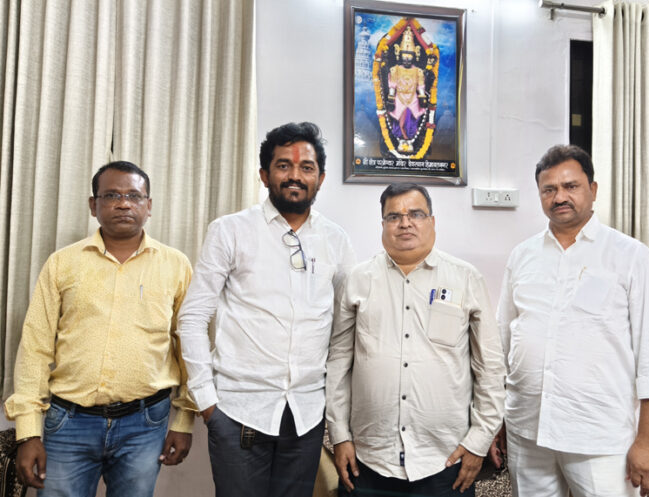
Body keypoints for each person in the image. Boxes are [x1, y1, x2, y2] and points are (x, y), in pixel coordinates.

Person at [177, 122, 356, 497]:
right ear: (264, 174)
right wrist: (207, 403)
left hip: (306, 416)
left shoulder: (336, 240)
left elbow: (343, 331)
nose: (295, 176)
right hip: (239, 413)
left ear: (321, 178)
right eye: (283, 165)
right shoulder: (230, 230)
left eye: (306, 167)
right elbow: (192, 318)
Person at [492, 145, 649, 497]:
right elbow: (502, 343)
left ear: (592, 189)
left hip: (598, 436)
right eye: (549, 189)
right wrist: (497, 417)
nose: (559, 197)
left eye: (570, 186)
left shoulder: (630, 256)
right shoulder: (522, 256)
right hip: (527, 431)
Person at [4, 161, 196, 497]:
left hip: (145, 423)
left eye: (134, 196)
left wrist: (183, 421)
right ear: (94, 205)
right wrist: (29, 432)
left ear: (149, 205)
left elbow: (189, 348)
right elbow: (35, 347)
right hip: (69, 422)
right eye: (112, 195)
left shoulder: (176, 265)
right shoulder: (62, 263)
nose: (123, 204)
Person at [326, 183, 506, 497]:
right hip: (368, 460)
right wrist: (339, 435)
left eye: (416, 214)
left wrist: (478, 442)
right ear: (383, 224)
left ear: (432, 222)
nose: (405, 223)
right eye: (394, 216)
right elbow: (338, 364)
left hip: (446, 461)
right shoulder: (356, 280)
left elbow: (490, 368)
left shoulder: (465, 278)